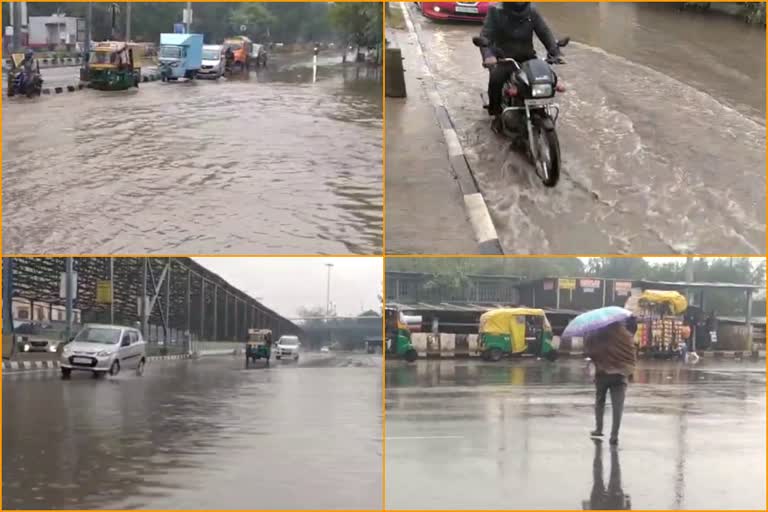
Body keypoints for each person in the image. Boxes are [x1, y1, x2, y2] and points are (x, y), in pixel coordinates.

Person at [478, 2, 564, 119]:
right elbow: (485, 36)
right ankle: (495, 113)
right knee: (495, 79)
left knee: (547, 76)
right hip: (505, 59)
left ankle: (539, 107)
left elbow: (544, 32)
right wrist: (488, 55)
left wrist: (555, 52)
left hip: (528, 57)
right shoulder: (496, 11)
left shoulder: (532, 11)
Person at [584, 319, 637, 445]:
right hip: (621, 375)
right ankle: (614, 435)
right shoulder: (626, 335)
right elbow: (631, 355)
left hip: (603, 374)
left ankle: (598, 429)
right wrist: (630, 372)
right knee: (617, 407)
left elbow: (590, 352)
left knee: (600, 401)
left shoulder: (598, 335)